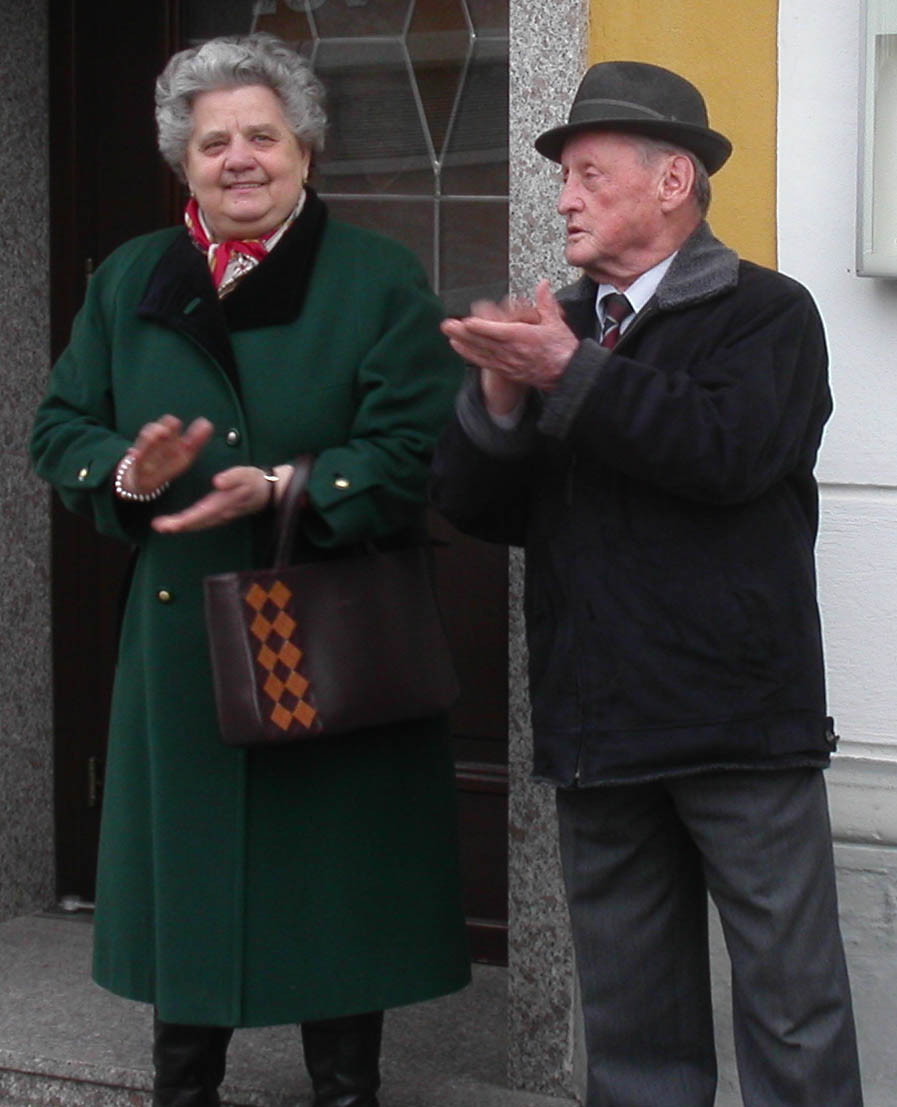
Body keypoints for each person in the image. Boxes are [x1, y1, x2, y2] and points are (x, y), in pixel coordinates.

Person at [31, 33, 470, 1107]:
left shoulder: (374, 276)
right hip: (182, 634)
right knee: (188, 876)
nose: (239, 158)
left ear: (305, 150)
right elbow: (58, 428)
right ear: (182, 162)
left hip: (322, 621)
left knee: (333, 885)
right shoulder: (134, 276)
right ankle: (184, 1088)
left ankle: (345, 1088)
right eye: (212, 140)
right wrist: (129, 473)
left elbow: (417, 449)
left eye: (261, 137)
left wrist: (288, 488)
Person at [430, 60, 864, 1107]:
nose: (565, 198)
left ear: (673, 182)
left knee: (794, 1017)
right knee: (631, 1032)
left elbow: (727, 450)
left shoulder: (766, 313)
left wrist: (566, 375)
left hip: (739, 728)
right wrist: (494, 405)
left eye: (587, 174)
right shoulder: (556, 331)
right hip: (598, 726)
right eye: (562, 178)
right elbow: (482, 512)